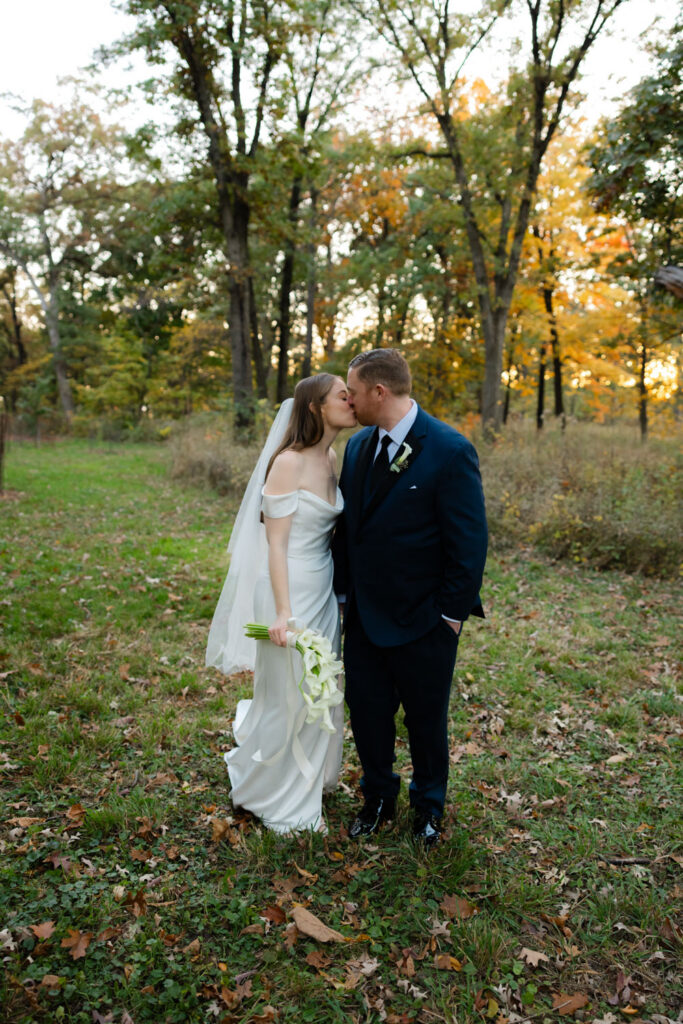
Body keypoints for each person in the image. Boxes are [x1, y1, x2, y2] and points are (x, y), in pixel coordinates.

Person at [332, 349, 487, 848]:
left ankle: (427, 808)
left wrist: (449, 616)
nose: (348, 400)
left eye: (353, 391)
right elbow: (348, 530)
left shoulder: (449, 449)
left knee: (425, 721)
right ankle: (377, 798)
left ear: (380, 392)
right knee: (368, 715)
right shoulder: (357, 447)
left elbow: (469, 543)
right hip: (363, 615)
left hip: (425, 620)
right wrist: (340, 596)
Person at [206, 374, 357, 833]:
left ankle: (309, 779)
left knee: (320, 685)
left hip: (322, 586)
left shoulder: (331, 457)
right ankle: (270, 789)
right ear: (315, 407)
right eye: (342, 396)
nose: (352, 403)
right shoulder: (288, 463)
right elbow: (275, 545)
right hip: (285, 586)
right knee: (290, 692)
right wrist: (282, 612)